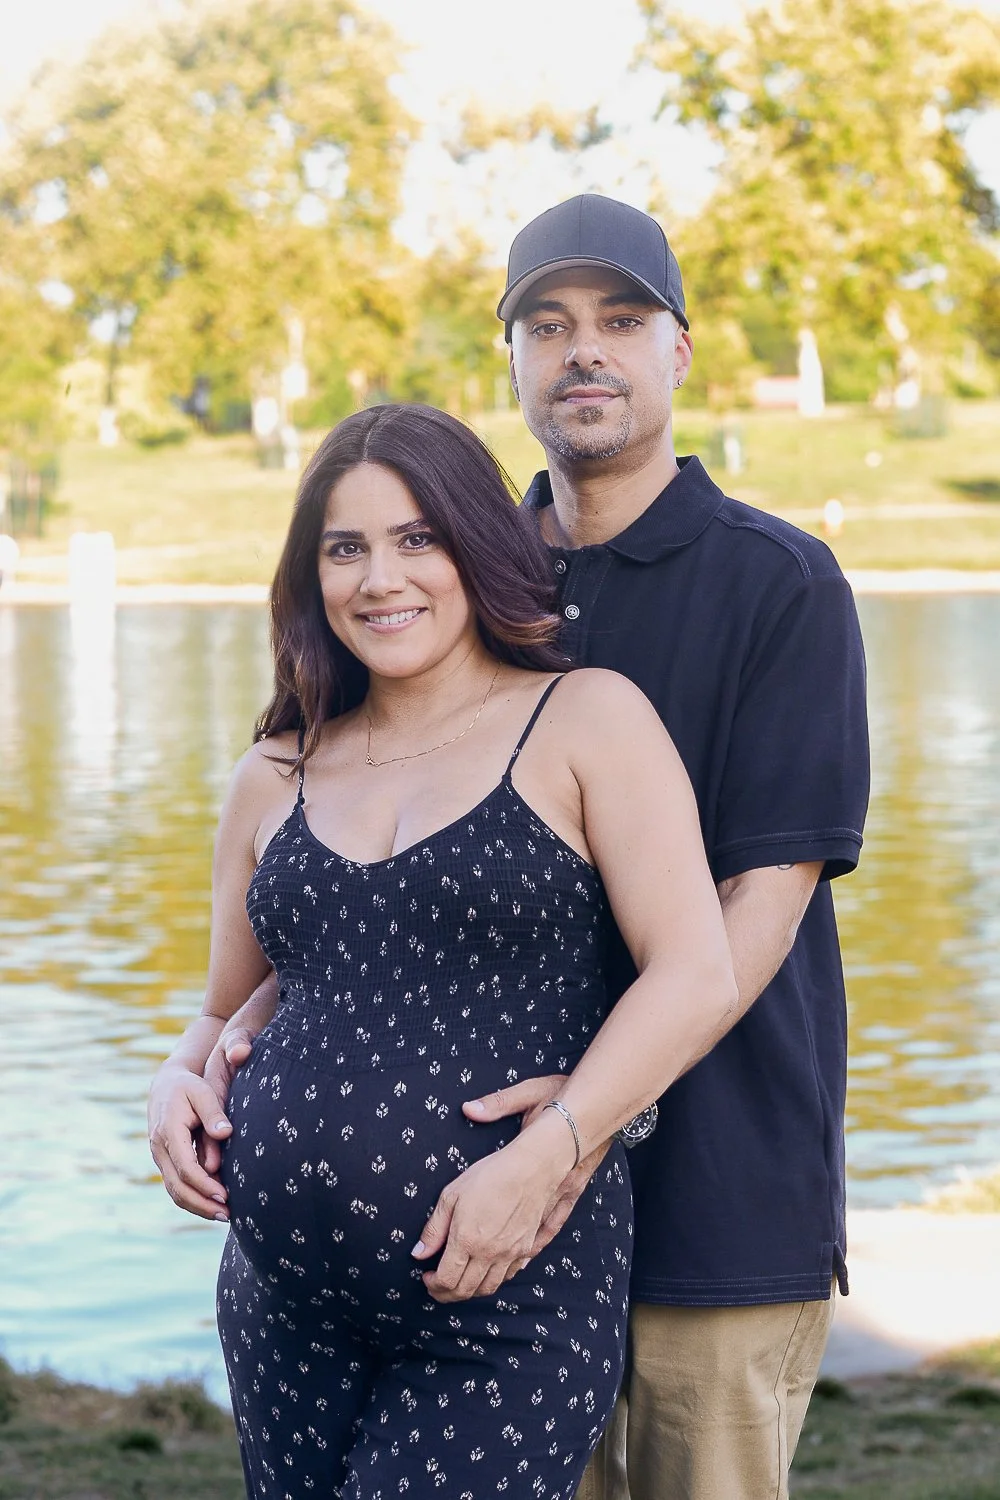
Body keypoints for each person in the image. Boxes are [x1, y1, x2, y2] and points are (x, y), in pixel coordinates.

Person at [150, 195, 870, 1500]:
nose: (584, 350)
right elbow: (377, 900)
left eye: (620, 319)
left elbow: (756, 907)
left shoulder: (779, 582)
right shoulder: (462, 588)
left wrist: (585, 1128)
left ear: (679, 351)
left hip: (710, 1189)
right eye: (549, 325)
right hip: (433, 1246)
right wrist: (204, 1055)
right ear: (515, 362)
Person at [148, 401, 738, 1499]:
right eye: (345, 547)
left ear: (477, 542)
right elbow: (225, 1006)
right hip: (282, 1308)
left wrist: (552, 1148)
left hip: (503, 1296)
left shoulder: (583, 720)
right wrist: (176, 1082)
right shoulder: (275, 766)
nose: (381, 579)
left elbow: (694, 972)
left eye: (417, 538)